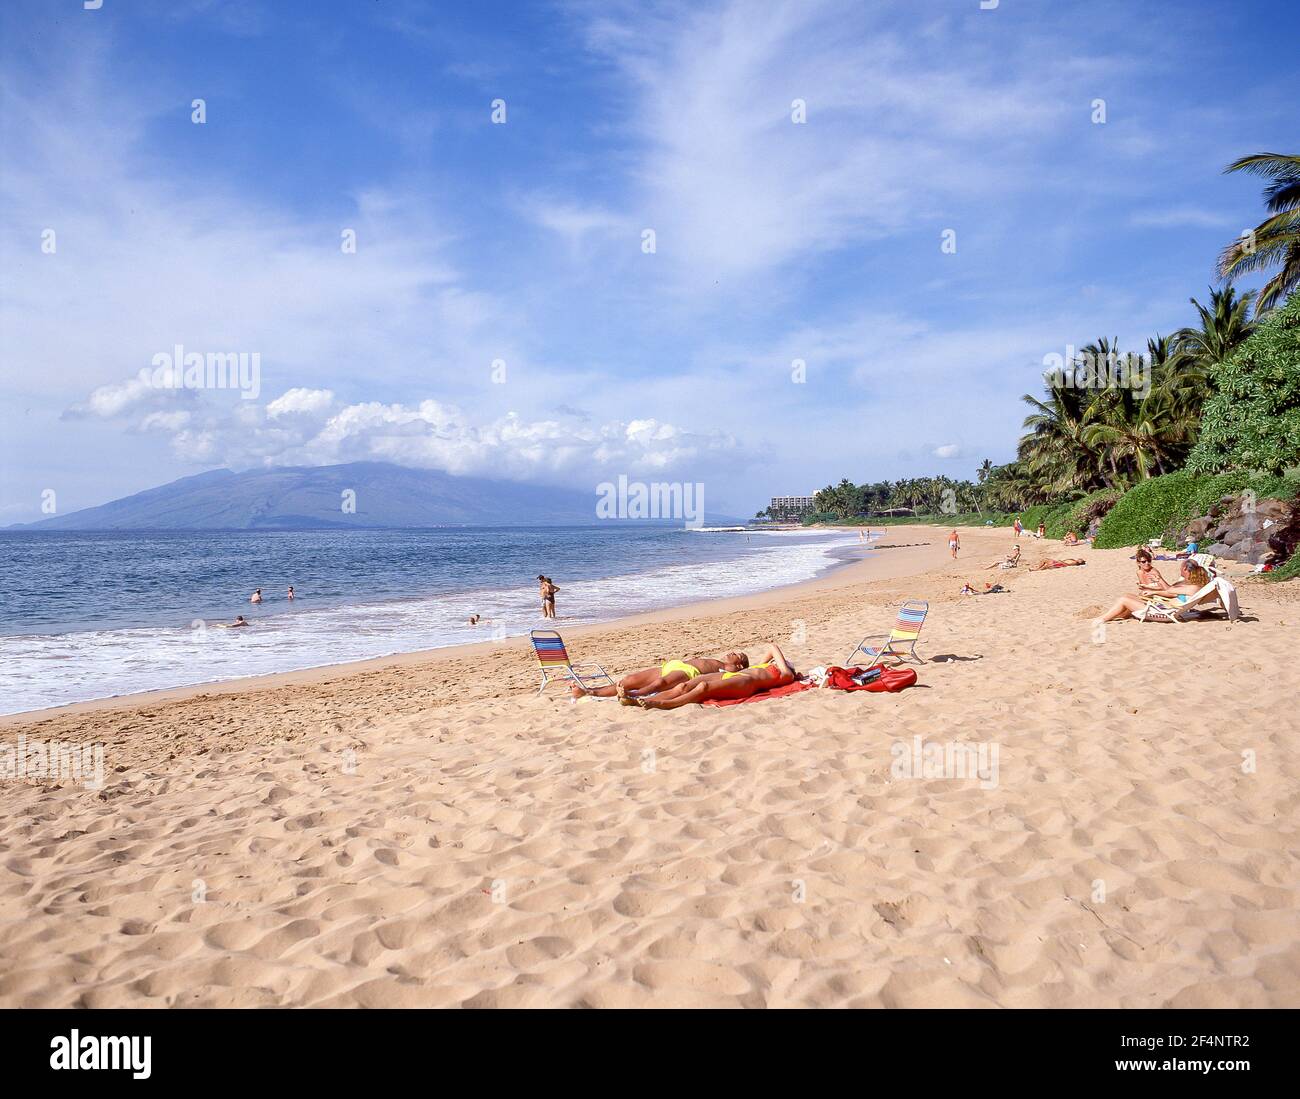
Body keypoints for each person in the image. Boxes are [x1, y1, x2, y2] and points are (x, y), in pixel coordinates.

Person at [623, 644, 795, 710]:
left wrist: (785, 664)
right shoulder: (761, 666)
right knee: (684, 686)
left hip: (747, 682)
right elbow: (766, 655)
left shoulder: (786, 675)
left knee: (703, 687)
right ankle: (636, 701)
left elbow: (773, 646)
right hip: (736, 675)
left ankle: (663, 703)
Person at [571, 651, 750, 699]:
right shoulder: (723, 662)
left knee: (659, 683)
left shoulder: (732, 669)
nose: (732, 652)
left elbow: (748, 673)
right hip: (674, 665)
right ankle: (588, 692)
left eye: (737, 655)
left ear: (739, 663)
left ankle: (634, 695)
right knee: (629, 680)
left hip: (688, 672)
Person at [1096, 560, 1212, 623]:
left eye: (1181, 568)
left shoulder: (1193, 588)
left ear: (1186, 569)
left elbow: (1169, 590)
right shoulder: (1193, 586)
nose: (1180, 570)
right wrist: (1154, 592)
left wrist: (1159, 580)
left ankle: (1102, 619)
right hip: (1166, 606)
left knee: (1124, 600)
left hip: (1164, 612)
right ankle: (1116, 615)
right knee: (1128, 595)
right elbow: (1171, 593)